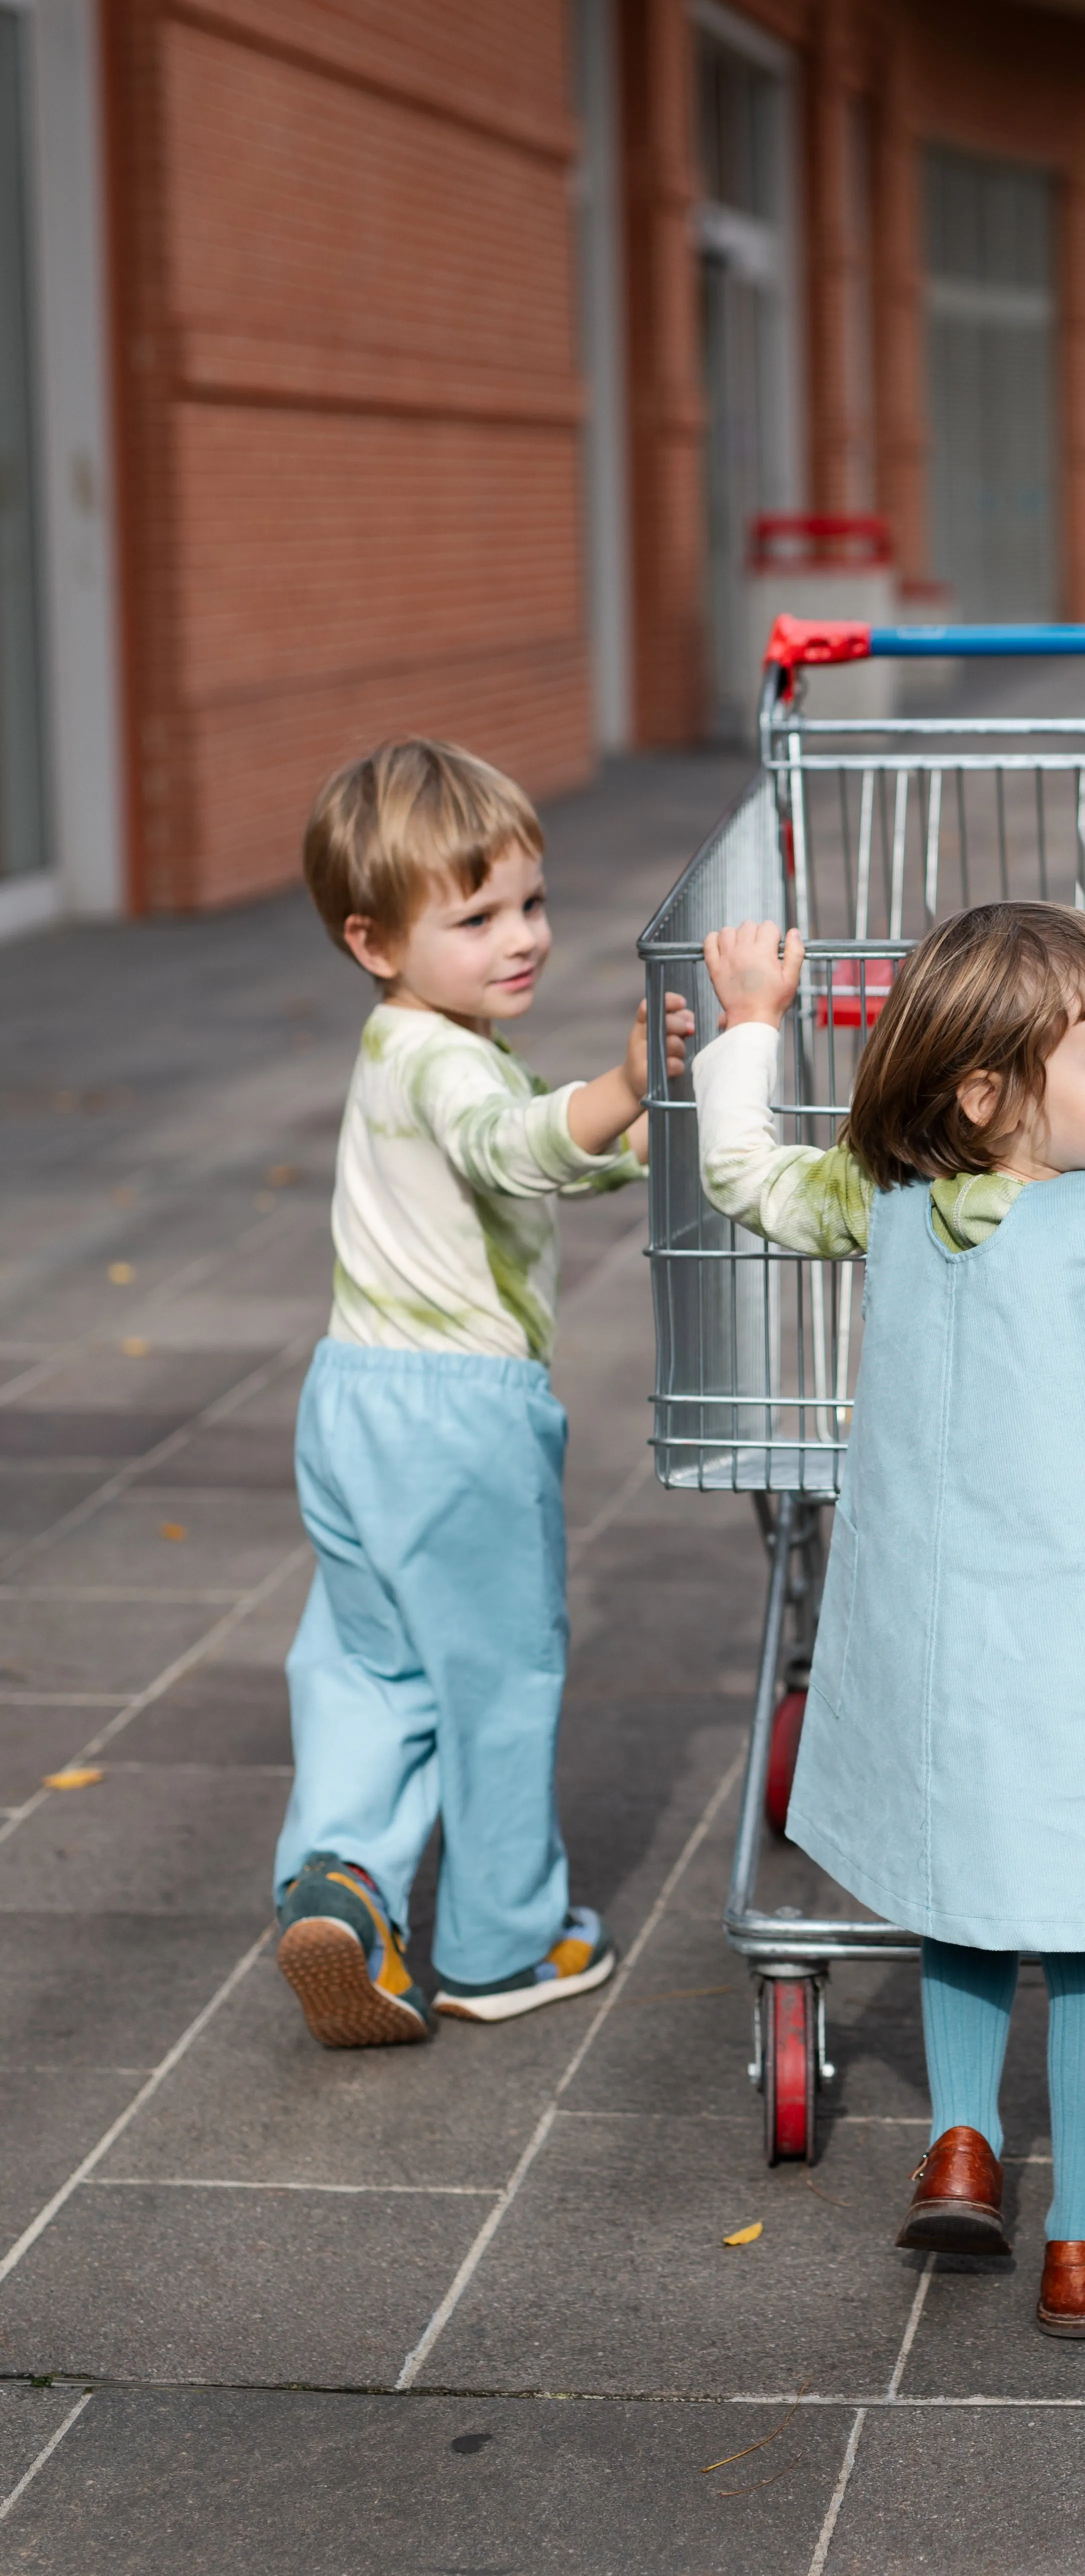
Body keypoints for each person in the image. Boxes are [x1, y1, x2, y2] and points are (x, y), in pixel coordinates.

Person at [695, 900, 1085, 2336]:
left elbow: (746, 1174)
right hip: (1079, 1650)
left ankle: (961, 2142)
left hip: (933, 1638)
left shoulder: (877, 1201)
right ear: (991, 1091)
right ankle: (1083, 2239)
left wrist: (752, 1028)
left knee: (957, 1884)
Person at [274, 737, 694, 2048]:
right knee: (501, 1676)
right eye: (476, 917)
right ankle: (507, 1938)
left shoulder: (405, 1039)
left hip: (349, 1401)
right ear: (372, 940)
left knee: (364, 1663)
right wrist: (626, 1087)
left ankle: (344, 1881)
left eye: (530, 902)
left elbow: (531, 1156)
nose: (522, 938)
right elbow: (515, 1146)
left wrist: (630, 1126)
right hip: (459, 1418)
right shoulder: (452, 1064)